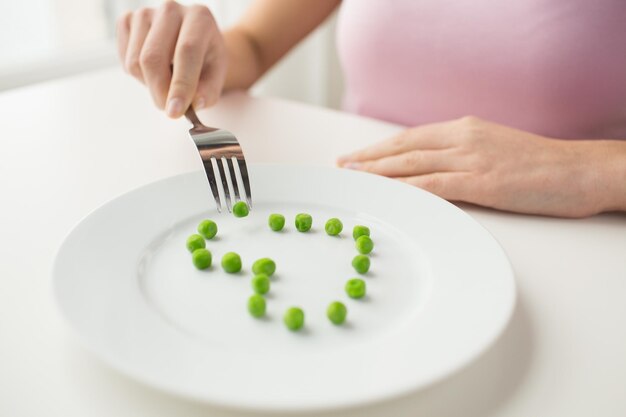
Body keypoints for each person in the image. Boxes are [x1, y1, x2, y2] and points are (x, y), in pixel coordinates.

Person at [116, 0, 626, 218]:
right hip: (363, 212)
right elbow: (251, 45)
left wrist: (588, 171)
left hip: (575, 246)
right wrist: (199, 49)